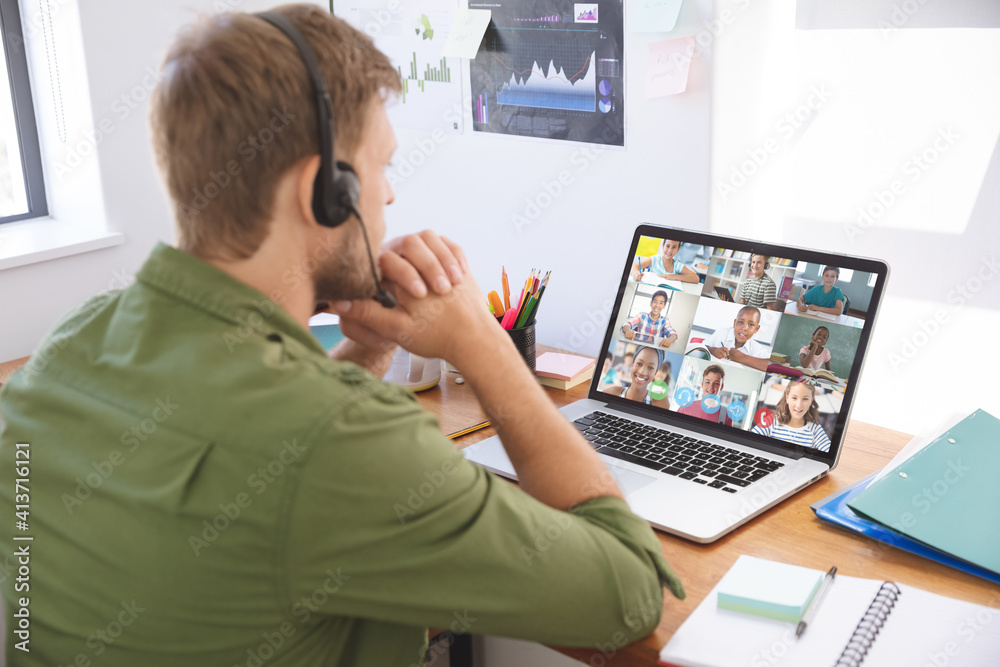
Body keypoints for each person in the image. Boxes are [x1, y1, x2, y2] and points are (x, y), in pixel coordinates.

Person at [0, 7, 683, 665]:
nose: (389, 197)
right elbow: (629, 591)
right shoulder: (339, 442)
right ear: (325, 193)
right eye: (382, 166)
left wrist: (373, 347)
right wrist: (482, 342)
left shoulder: (69, 347)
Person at [751, 380, 831, 451]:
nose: (799, 405)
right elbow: (750, 441)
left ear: (811, 400)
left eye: (805, 399)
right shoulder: (771, 421)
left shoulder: (815, 429)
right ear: (787, 398)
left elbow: (828, 451)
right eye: (794, 398)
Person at [703, 306, 770, 372]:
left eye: (751, 324)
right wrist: (713, 351)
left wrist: (744, 358)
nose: (744, 328)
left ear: (756, 329)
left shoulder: (756, 348)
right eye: (740, 322)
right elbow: (700, 347)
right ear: (734, 323)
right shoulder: (721, 333)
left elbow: (770, 366)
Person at [601, 345, 671, 408]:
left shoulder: (660, 402)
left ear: (655, 373)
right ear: (632, 364)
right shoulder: (613, 393)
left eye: (650, 368)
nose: (642, 372)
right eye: (639, 364)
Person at [631, 239, 700, 284]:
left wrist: (673, 276)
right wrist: (635, 273)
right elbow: (635, 266)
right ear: (663, 246)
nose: (670, 250)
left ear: (678, 249)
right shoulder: (654, 259)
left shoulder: (677, 265)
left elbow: (696, 278)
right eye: (667, 246)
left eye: (674, 247)